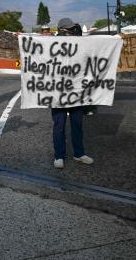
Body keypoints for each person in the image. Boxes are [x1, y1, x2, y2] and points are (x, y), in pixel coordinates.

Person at [51, 17, 93, 169]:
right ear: (61, 30)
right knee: (59, 125)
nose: (71, 31)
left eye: (72, 29)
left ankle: (79, 153)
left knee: (77, 124)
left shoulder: (79, 42)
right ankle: (59, 156)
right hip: (58, 93)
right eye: (68, 29)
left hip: (76, 92)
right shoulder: (51, 44)